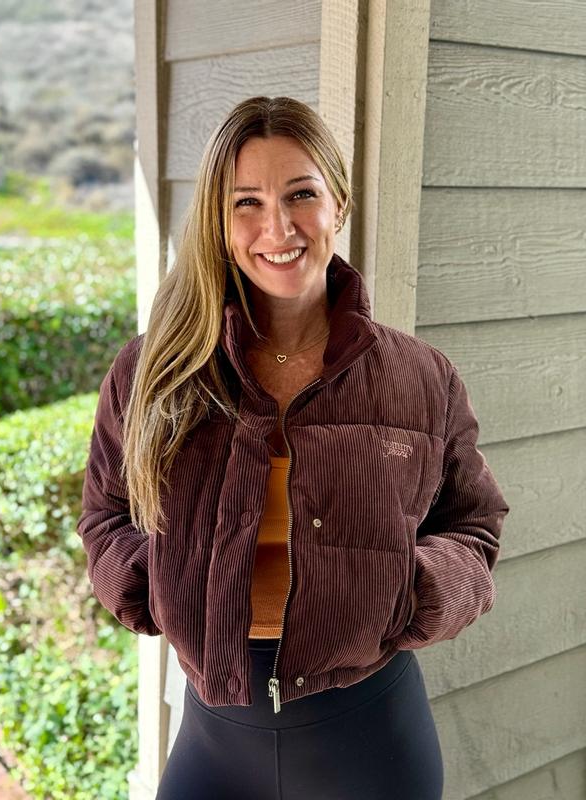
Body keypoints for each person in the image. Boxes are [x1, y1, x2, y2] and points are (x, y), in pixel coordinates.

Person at [77, 95, 510, 799]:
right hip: (215, 739)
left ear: (338, 202)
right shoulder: (154, 372)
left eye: (300, 194)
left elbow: (474, 526)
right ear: (218, 223)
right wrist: (156, 585)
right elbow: (105, 515)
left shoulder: (421, 377)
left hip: (371, 740)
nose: (277, 227)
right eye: (246, 202)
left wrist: (404, 592)